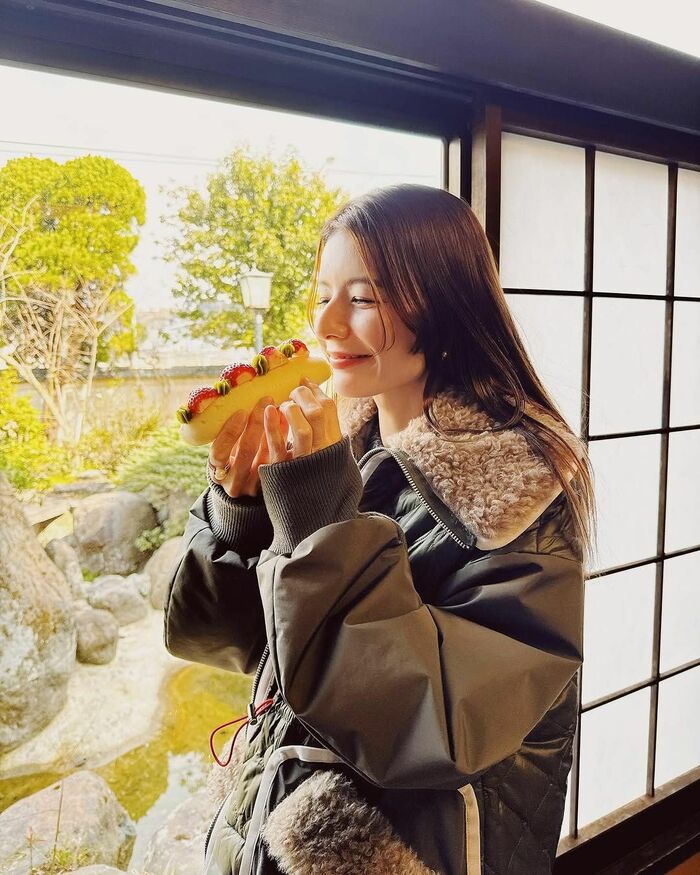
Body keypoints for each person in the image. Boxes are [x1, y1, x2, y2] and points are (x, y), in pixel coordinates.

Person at [164, 184, 594, 875]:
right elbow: (240, 645)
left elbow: (437, 725)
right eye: (322, 294)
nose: (327, 323)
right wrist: (239, 515)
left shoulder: (517, 495)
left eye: (362, 298)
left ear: (446, 305)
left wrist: (320, 523)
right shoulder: (345, 452)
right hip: (276, 813)